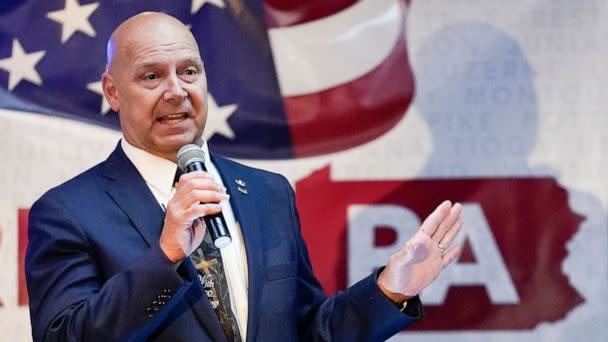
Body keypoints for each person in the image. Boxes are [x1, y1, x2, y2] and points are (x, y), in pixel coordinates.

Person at [25, 12, 463, 342]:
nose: (176, 91)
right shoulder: (68, 211)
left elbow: (310, 331)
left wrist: (388, 291)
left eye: (189, 72)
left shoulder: (267, 194)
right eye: (151, 76)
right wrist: (166, 256)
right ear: (112, 92)